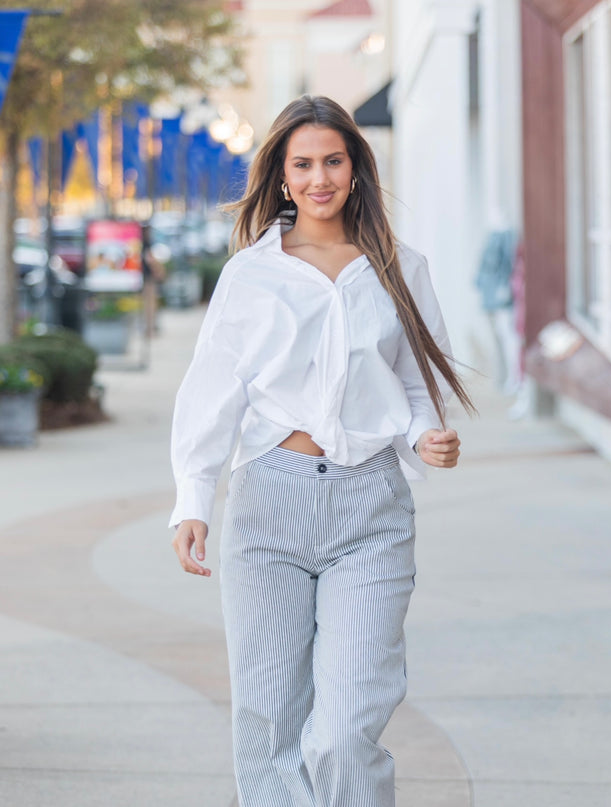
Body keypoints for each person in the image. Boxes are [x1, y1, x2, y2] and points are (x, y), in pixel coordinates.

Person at [169, 95, 475, 807]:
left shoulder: (398, 265)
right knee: (269, 723)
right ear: (280, 176)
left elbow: (413, 379)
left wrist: (424, 435)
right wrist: (192, 498)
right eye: (301, 164)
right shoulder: (251, 273)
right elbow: (212, 392)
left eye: (332, 161)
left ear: (354, 168)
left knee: (345, 728)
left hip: (367, 511)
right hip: (267, 506)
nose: (318, 178)